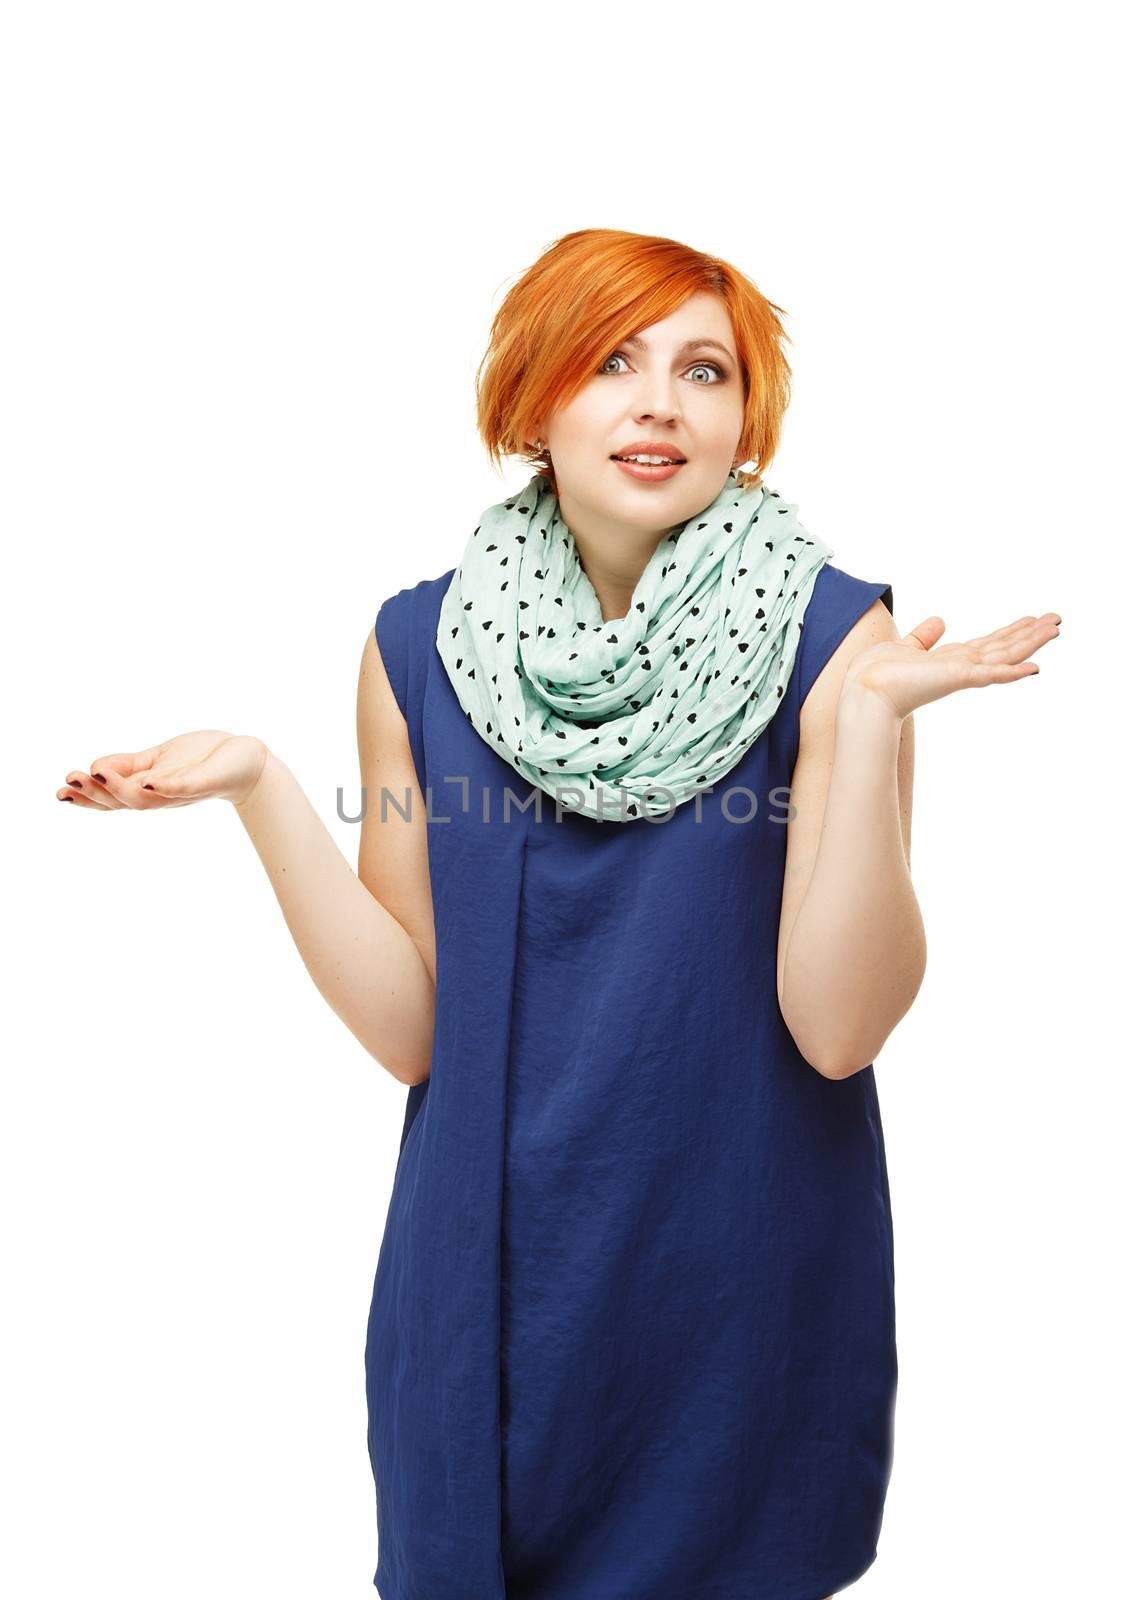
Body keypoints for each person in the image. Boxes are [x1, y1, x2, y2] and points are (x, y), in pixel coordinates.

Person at [56, 227, 1062, 1599]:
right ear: (533, 400)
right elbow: (413, 1030)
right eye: (610, 360)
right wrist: (258, 788)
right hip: (483, 1290)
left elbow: (840, 1028)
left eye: (703, 370)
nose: (660, 401)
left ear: (744, 422)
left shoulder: (837, 642)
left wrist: (874, 726)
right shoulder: (415, 646)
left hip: (733, 1290)